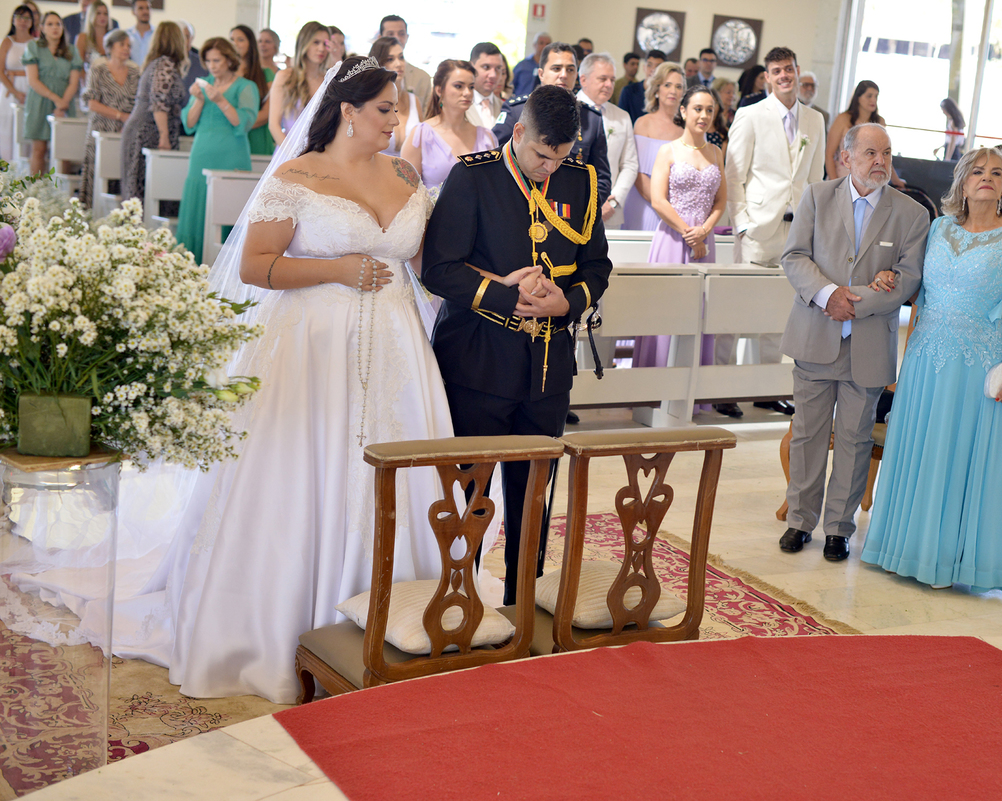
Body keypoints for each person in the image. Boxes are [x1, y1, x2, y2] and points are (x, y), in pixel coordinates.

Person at [159, 55, 451, 703]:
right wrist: (336, 268)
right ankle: (284, 625)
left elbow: (429, 266)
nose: (395, 119)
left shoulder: (405, 173)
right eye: (383, 109)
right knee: (306, 475)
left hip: (401, 355)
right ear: (347, 110)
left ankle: (393, 619)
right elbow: (255, 266)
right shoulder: (298, 174)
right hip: (311, 353)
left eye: (398, 107)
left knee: (394, 478)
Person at [422, 84, 611, 606]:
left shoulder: (581, 180)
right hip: (478, 362)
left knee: (534, 497)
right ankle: (460, 600)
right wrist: (506, 296)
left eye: (560, 158)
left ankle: (522, 602)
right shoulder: (475, 175)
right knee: (470, 495)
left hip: (548, 365)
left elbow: (598, 267)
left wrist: (567, 303)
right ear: (519, 131)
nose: (549, 169)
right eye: (541, 156)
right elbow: (438, 269)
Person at [860, 147, 1002, 590]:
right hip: (928, 361)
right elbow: (916, 290)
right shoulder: (939, 228)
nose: (986, 177)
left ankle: (957, 562)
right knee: (923, 450)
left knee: (965, 455)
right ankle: (906, 549)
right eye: (978, 171)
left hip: (982, 366)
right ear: (962, 183)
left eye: (996, 173)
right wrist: (888, 278)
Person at [778, 123, 928, 560]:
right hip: (814, 336)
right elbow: (794, 257)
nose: (878, 161)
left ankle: (838, 529)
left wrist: (852, 302)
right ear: (846, 158)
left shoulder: (912, 214)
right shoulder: (816, 197)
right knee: (807, 435)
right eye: (869, 153)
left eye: (885, 153)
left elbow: (908, 278)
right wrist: (828, 295)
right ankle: (800, 522)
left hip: (868, 344)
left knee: (855, 438)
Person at [719, 46, 826, 417]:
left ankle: (765, 390)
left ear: (797, 71)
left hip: (797, 231)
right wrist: (743, 223)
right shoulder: (750, 116)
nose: (784, 76)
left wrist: (812, 228)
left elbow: (816, 179)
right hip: (758, 228)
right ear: (767, 77)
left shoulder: (815, 120)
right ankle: (721, 389)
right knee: (735, 310)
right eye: (776, 71)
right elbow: (734, 176)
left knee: (778, 313)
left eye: (789, 69)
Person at [635, 84, 726, 370]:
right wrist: (690, 234)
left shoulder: (716, 153)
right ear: (684, 111)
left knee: (697, 314)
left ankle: (691, 394)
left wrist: (705, 231)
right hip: (673, 241)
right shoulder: (668, 151)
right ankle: (655, 388)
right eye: (698, 109)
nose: (704, 115)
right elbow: (659, 200)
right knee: (665, 311)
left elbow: (721, 202)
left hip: (704, 245)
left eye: (710, 110)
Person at [493, 42, 610, 205]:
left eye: (570, 70)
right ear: (541, 73)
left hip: (568, 210)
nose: (563, 75)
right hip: (517, 204)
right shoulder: (517, 111)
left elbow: (601, 177)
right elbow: (497, 162)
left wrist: (584, 209)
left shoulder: (591, 117)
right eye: (556, 68)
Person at [175, 36, 258, 260]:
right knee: (198, 206)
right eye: (209, 61)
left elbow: (243, 123)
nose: (212, 66)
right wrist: (199, 100)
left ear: (230, 60)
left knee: (229, 209)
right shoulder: (203, 84)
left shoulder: (246, 87)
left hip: (232, 157)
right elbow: (189, 124)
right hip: (201, 155)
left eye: (217, 60)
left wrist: (221, 101)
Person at [400, 59, 495, 192]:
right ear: (439, 90)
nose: (467, 92)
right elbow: (405, 191)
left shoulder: (486, 137)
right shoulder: (421, 134)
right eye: (458, 86)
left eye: (471, 87)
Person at [120, 21, 186, 210]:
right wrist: (164, 136)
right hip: (149, 133)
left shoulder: (158, 63)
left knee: (144, 193)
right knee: (142, 194)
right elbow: (159, 102)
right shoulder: (165, 64)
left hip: (147, 130)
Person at [621, 61, 682, 232]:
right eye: (667, 85)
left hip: (678, 211)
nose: (673, 91)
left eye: (678, 86)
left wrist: (676, 210)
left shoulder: (688, 129)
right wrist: (662, 206)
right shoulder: (643, 124)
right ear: (656, 90)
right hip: (644, 206)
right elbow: (638, 175)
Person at [578, 52, 637, 228]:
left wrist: (613, 200)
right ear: (583, 80)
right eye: (603, 79)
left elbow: (630, 164)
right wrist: (590, 202)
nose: (609, 85)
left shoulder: (622, 117)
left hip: (610, 212)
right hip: (574, 208)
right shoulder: (567, 110)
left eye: (612, 79)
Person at [80, 28, 136, 208]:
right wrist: (121, 116)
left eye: (128, 45)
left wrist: (128, 122)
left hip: (124, 133)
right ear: (110, 47)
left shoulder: (135, 73)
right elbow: (92, 103)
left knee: (119, 176)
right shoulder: (99, 69)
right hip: (101, 130)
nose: (126, 49)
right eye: (122, 45)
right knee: (96, 176)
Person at [22, 11, 81, 176]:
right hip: (40, 100)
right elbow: (32, 80)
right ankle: (37, 191)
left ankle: (60, 194)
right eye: (50, 24)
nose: (55, 28)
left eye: (58, 24)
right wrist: (55, 99)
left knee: (65, 152)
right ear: (42, 28)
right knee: (39, 149)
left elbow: (74, 82)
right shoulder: (33, 47)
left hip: (65, 102)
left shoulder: (71, 50)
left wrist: (62, 103)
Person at [268, 21, 328, 145]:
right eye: (316, 42)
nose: (321, 48)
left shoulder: (328, 80)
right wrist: (293, 156)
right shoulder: (285, 77)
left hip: (319, 154)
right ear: (304, 43)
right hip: (288, 152)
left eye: (325, 43)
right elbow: (274, 125)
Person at [368, 36, 418, 157]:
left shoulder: (414, 100)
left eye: (401, 57)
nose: (399, 64)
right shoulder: (370, 102)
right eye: (390, 59)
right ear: (379, 63)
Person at [826, 80, 884, 179]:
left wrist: (895, 180)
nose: (873, 100)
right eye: (869, 96)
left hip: (869, 182)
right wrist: (835, 184)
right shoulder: (843, 119)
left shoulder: (879, 122)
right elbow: (829, 154)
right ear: (858, 97)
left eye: (876, 96)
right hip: (842, 177)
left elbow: (884, 155)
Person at [230, 24, 273, 156]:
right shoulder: (225, 76)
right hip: (230, 139)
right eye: (231, 39)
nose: (235, 44)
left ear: (251, 44)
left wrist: (239, 123)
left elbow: (268, 113)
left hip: (256, 138)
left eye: (240, 39)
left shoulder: (266, 75)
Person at [0, 5, 35, 163]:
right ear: (13, 20)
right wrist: (15, 92)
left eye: (27, 18)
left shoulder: (35, 43)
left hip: (30, 89)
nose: (23, 21)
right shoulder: (7, 42)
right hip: (10, 90)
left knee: (25, 130)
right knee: (8, 128)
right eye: (19, 17)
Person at [377, 16, 431, 112]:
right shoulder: (367, 77)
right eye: (390, 34)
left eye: (401, 34)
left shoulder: (422, 77)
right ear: (380, 38)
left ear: (407, 37)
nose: (396, 38)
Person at [617, 48, 664, 125]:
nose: (653, 70)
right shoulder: (629, 91)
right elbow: (621, 121)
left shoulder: (665, 94)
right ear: (644, 67)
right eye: (649, 65)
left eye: (658, 67)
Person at [465, 41, 503, 129]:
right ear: (471, 67)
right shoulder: (458, 105)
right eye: (486, 67)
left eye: (498, 68)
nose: (493, 75)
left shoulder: (505, 108)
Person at [71, 0, 108, 73]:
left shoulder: (111, 38)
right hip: (89, 81)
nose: (102, 16)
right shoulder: (83, 38)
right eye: (98, 13)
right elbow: (79, 66)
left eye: (105, 14)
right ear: (91, 14)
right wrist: (85, 83)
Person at [511, 30, 549, 97]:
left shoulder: (551, 68)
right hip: (521, 103)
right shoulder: (522, 65)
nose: (544, 46)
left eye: (547, 44)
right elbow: (511, 86)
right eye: (541, 43)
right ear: (534, 45)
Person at [125, 0, 151, 66]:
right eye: (141, 8)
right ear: (133, 12)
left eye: (148, 8)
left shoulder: (157, 35)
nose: (145, 11)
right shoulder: (127, 35)